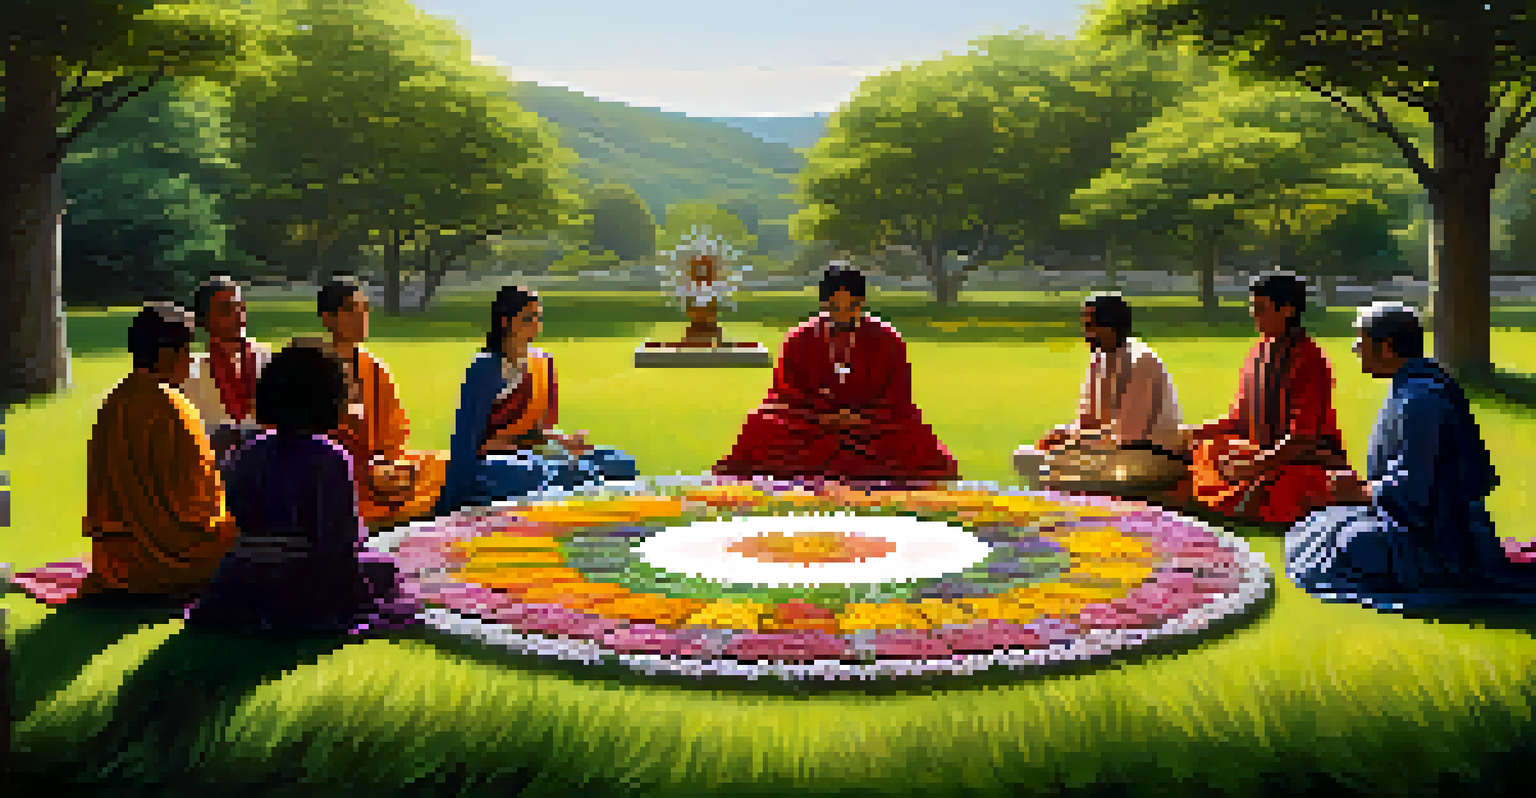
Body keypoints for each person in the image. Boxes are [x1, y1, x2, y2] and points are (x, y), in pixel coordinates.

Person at [1285, 302, 1536, 607]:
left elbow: (1415, 492)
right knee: (1316, 525)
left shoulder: (1421, 400)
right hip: (1401, 516)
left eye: (1361, 342)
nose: (1355, 349)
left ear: (1387, 348)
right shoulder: (1409, 386)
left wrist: (1360, 492)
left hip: (1435, 536)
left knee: (1349, 542)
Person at [185, 339, 420, 634]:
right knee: (386, 569)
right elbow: (338, 541)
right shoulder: (330, 457)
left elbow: (236, 510)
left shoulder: (248, 450)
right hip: (300, 578)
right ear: (328, 398)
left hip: (241, 573)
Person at [712, 267, 960, 484]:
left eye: (851, 307)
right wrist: (825, 416)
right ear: (823, 304)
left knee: (915, 436)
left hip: (873, 425)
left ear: (861, 303)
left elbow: (899, 395)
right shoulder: (800, 338)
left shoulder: (887, 338)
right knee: (760, 424)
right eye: (835, 306)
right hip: (810, 422)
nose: (843, 314)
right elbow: (785, 391)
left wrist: (859, 417)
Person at [77, 303, 240, 601]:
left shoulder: (112, 404)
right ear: (167, 355)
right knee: (250, 531)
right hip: (174, 561)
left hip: (116, 561)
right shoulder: (175, 409)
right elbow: (199, 506)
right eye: (187, 352)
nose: (191, 361)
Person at [435, 286, 638, 515]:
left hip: (531, 454)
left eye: (538, 318)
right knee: (549, 474)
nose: (536, 326)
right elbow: (467, 440)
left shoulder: (542, 363)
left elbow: (537, 431)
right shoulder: (484, 368)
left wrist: (565, 441)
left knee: (617, 461)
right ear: (505, 322)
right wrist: (453, 499)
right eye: (528, 319)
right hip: (492, 466)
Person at [1185, 272, 1360, 526]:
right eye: (1253, 309)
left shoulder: (1310, 360)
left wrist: (1257, 465)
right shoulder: (1257, 353)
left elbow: (1303, 436)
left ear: (1287, 310)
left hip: (1302, 460)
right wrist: (1192, 433)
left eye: (1261, 309)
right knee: (1208, 450)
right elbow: (1240, 418)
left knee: (1290, 485)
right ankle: (1236, 497)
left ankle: (1239, 500)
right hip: (1262, 453)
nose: (1254, 316)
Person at [1014, 293, 1189, 496]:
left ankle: (1070, 501)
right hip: (1110, 452)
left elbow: (1129, 436)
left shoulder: (1142, 362)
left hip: (1149, 456)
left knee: (1053, 467)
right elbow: (1087, 421)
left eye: (1091, 326)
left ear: (1113, 327)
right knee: (1025, 456)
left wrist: (1072, 440)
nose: (1086, 334)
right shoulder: (1099, 359)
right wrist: (1063, 434)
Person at [316, 277, 447, 532]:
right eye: (350, 310)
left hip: (377, 469)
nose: (361, 317)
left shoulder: (375, 368)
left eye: (364, 309)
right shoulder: (310, 366)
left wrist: (385, 462)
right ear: (327, 318)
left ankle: (379, 506)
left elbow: (395, 431)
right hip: (327, 469)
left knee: (442, 465)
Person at [179, 275, 273, 467]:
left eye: (240, 307)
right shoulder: (190, 372)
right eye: (225, 309)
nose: (237, 314)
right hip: (215, 472)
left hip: (268, 467)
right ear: (203, 319)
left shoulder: (269, 360)